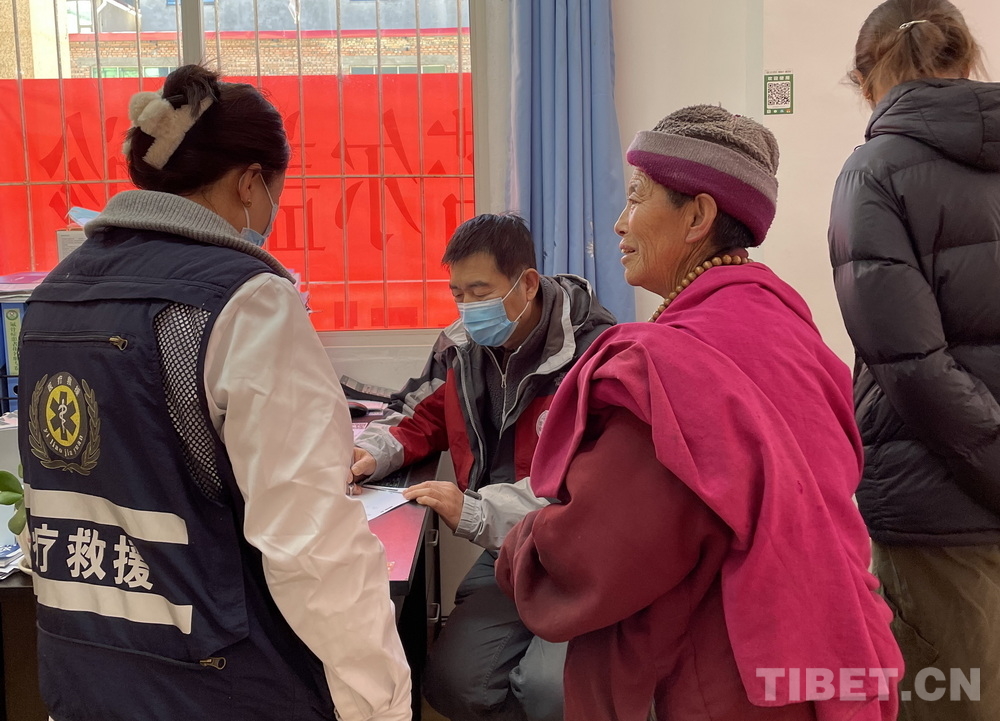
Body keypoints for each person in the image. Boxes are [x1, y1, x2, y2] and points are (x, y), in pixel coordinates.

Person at [17, 65, 410, 721]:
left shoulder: (51, 298)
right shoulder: (247, 301)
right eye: (276, 193)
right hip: (222, 690)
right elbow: (311, 545)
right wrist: (381, 699)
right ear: (250, 182)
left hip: (84, 680)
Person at [495, 106, 904, 721]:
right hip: (817, 645)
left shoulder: (672, 366)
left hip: (722, 675)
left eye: (637, 198)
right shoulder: (787, 326)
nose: (619, 223)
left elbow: (602, 550)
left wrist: (519, 544)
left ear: (698, 217)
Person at [351, 213, 615, 721]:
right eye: (458, 293)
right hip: (510, 550)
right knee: (453, 684)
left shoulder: (594, 356)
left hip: (585, 556)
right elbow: (419, 414)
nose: (469, 308)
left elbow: (585, 490)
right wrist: (372, 453)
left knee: (548, 693)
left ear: (527, 283)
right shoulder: (460, 348)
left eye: (480, 292)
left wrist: (474, 512)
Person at [828, 2, 999, 718]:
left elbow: (911, 367)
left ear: (869, 79)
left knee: (947, 700)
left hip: (936, 508)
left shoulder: (872, 172)